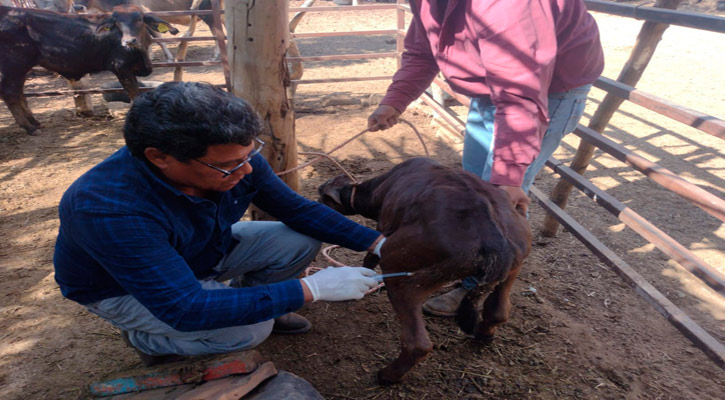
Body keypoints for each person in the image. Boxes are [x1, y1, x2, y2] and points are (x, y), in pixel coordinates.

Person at [54, 81, 386, 367]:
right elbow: (184, 307)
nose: (246, 172)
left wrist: (377, 243)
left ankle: (255, 305)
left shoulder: (232, 157)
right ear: (159, 157)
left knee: (299, 239)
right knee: (247, 332)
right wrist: (311, 290)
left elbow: (297, 210)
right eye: (228, 166)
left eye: (249, 155)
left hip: (199, 251)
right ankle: (147, 340)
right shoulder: (106, 207)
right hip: (123, 288)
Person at [367, 0, 604, 316]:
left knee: (498, 202)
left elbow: (521, 90)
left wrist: (508, 175)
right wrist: (394, 102)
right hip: (490, 85)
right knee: (473, 190)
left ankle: (478, 288)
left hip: (547, 91)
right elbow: (423, 50)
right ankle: (461, 263)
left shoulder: (508, 6)